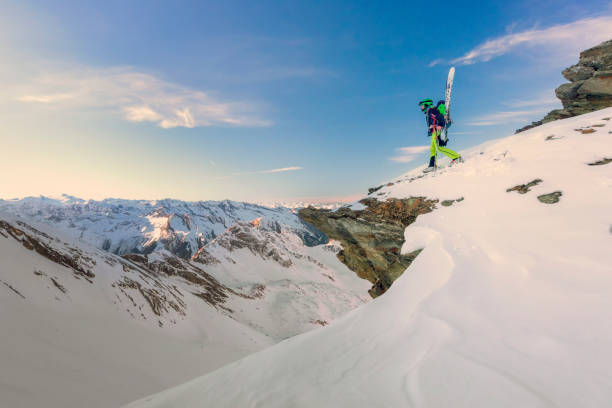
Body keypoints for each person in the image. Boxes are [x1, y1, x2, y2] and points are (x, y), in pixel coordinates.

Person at [418, 98, 462, 173]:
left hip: (437, 131)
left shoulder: (432, 110)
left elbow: (440, 117)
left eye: (422, 105)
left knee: (439, 148)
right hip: (433, 132)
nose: (421, 107)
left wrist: (440, 125)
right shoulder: (429, 112)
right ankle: (432, 165)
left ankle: (456, 157)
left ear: (426, 104)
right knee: (432, 149)